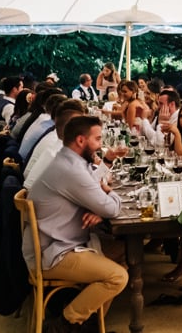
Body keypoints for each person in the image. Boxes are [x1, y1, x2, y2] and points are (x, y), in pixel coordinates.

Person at [23, 116, 127, 333]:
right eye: (97, 139)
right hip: (52, 253)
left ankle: (88, 324)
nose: (100, 144)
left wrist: (99, 208)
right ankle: (66, 323)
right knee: (118, 277)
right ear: (81, 140)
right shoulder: (71, 170)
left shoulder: (68, 160)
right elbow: (111, 208)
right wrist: (109, 195)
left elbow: (93, 186)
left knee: (122, 254)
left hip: (55, 243)